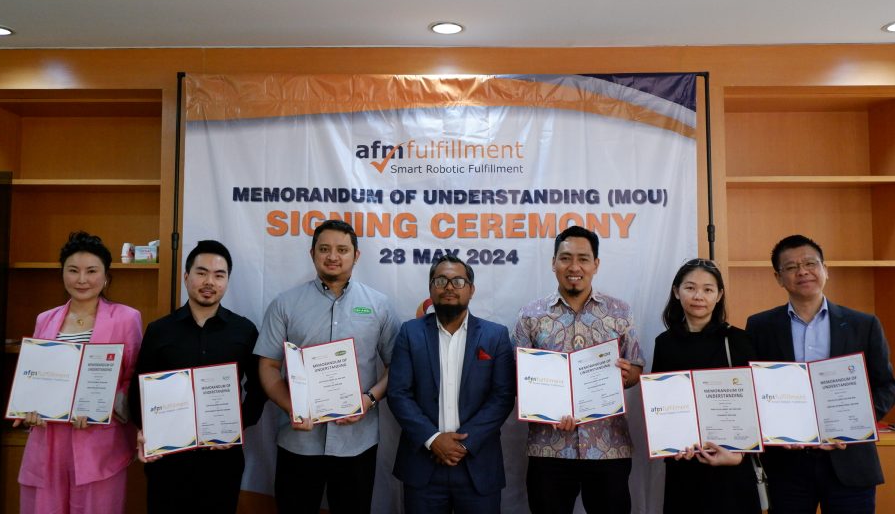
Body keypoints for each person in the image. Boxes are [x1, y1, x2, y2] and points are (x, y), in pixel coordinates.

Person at [746, 234, 895, 514]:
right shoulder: (760, 326)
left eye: (810, 263)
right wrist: (774, 428)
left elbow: (886, 386)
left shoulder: (863, 324)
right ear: (778, 278)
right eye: (791, 267)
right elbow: (754, 390)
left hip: (849, 462)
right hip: (787, 465)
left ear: (825, 269)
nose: (802, 272)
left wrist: (852, 426)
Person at [257, 219, 400, 514]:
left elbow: (395, 366)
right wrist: (291, 407)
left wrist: (368, 400)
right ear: (312, 253)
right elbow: (268, 366)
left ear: (356, 256)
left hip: (356, 443)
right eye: (324, 249)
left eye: (342, 250)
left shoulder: (379, 305)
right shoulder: (285, 304)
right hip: (298, 440)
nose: (333, 256)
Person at [512, 225, 646, 514]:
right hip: (549, 447)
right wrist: (547, 408)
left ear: (596, 264)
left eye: (583, 259)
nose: (574, 267)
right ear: (553, 263)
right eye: (565, 258)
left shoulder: (619, 312)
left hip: (608, 446)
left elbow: (636, 367)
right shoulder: (530, 315)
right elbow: (517, 377)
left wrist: (627, 375)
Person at [130, 239, 266, 513]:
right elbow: (138, 388)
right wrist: (145, 429)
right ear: (186, 277)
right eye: (201, 273)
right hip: (167, 457)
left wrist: (238, 425)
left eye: (219, 275)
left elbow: (259, 387)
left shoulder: (244, 330)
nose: (209, 282)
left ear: (227, 281)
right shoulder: (159, 330)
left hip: (222, 458)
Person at [15, 231, 143, 514]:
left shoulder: (127, 318)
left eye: (91, 271)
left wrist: (102, 407)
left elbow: (132, 377)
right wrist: (30, 408)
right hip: (48, 439)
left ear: (106, 276)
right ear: (62, 273)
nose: (82, 279)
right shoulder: (45, 319)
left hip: (98, 441)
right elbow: (34, 375)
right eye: (73, 270)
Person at [386, 255, 516, 513]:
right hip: (423, 465)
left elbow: (502, 396)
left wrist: (464, 443)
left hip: (477, 464)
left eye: (458, 281)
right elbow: (398, 393)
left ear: (471, 289)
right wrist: (433, 439)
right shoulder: (410, 332)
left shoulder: (495, 335)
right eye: (441, 281)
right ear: (430, 288)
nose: (449, 287)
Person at [651, 259, 760, 514]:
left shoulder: (738, 340)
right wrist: (670, 443)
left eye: (708, 289)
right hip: (684, 465)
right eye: (690, 288)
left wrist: (739, 455)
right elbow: (660, 404)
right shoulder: (664, 343)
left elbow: (755, 406)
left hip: (732, 466)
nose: (698, 296)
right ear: (676, 291)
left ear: (719, 295)